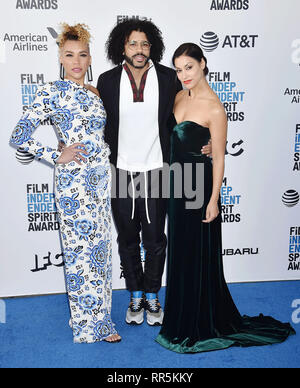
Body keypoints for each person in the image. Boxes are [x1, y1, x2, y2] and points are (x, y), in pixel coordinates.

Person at [156, 43, 296, 353]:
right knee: (179, 253)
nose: (183, 75)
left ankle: (196, 325)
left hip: (200, 189)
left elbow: (218, 158)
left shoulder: (215, 108)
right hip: (178, 186)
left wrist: (213, 199)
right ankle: (178, 321)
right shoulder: (178, 97)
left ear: (203, 64)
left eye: (189, 67)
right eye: (178, 70)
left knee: (197, 254)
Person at [10, 23, 121, 344]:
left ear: (89, 59)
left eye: (82, 55)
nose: (76, 61)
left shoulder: (96, 92)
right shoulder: (51, 91)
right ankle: (87, 325)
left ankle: (103, 320)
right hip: (73, 183)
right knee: (78, 252)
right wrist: (55, 154)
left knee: (100, 251)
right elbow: (19, 136)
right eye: (69, 54)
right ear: (60, 57)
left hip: (101, 179)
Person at [97, 20, 212, 327]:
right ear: (122, 46)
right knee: (127, 239)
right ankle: (135, 294)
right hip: (120, 171)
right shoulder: (107, 80)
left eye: (145, 44)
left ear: (153, 47)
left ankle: (152, 294)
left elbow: (195, 107)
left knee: (155, 240)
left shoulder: (167, 77)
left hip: (157, 171)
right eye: (133, 44)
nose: (139, 50)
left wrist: (209, 140)